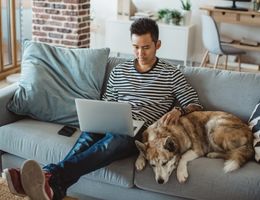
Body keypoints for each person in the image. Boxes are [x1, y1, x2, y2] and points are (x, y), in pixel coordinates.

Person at [3, 18, 203, 200]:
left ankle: (48, 175)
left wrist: (178, 110)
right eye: (135, 47)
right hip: (114, 121)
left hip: (143, 131)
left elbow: (194, 103)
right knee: (87, 139)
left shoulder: (171, 74)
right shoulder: (119, 71)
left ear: (157, 45)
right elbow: (107, 102)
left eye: (146, 47)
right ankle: (54, 189)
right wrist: (102, 114)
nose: (140, 53)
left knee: (111, 143)